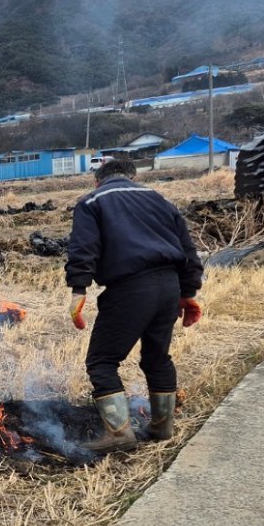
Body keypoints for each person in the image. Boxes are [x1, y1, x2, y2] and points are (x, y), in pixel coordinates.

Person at [66, 158, 204, 453]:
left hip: (129, 288)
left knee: (101, 362)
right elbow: (188, 250)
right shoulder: (159, 200)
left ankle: (118, 434)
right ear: (133, 177)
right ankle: (162, 427)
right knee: (157, 358)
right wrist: (188, 292)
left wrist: (79, 290)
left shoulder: (91, 201)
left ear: (97, 180)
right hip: (169, 287)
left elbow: (83, 248)